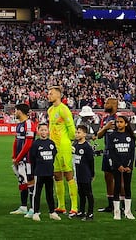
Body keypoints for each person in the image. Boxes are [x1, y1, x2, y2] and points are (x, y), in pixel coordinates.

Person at [45, 86, 76, 217]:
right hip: (54, 147)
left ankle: (74, 206)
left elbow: (72, 129)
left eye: (51, 94)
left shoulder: (64, 109)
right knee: (57, 175)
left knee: (68, 174)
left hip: (63, 146)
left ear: (58, 95)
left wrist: (67, 142)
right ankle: (61, 206)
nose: (48, 96)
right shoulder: (50, 110)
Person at [102, 113, 136, 220]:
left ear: (126, 124)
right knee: (116, 187)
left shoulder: (130, 137)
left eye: (121, 122)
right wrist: (118, 165)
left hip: (128, 167)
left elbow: (131, 153)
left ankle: (128, 211)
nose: (118, 124)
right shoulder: (112, 136)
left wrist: (129, 166)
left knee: (127, 187)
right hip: (117, 166)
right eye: (117, 122)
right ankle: (116, 212)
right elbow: (111, 153)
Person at [8, 103, 36, 216]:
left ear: (20, 111)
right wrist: (14, 156)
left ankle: (33, 208)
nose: (14, 113)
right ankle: (23, 206)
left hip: (28, 159)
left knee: (30, 182)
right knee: (22, 181)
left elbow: (28, 144)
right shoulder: (19, 125)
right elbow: (16, 141)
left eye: (16, 110)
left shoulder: (29, 124)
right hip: (19, 160)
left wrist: (18, 158)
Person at [27, 122, 59, 220]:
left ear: (48, 131)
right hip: (39, 173)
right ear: (38, 131)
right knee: (37, 193)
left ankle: (52, 212)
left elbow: (53, 156)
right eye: (41, 130)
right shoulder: (36, 144)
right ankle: (36, 212)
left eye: (45, 130)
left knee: (50, 193)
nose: (43, 132)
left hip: (49, 173)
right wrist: (33, 172)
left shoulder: (51, 143)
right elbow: (32, 159)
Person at [70, 123, 96, 220]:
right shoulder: (75, 145)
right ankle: (81, 211)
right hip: (78, 173)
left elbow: (91, 161)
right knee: (80, 193)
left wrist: (92, 174)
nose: (77, 134)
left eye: (79, 132)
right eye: (76, 132)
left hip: (85, 173)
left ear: (84, 134)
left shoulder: (87, 147)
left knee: (88, 193)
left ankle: (90, 213)